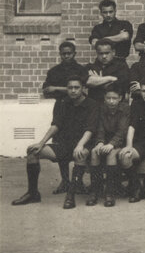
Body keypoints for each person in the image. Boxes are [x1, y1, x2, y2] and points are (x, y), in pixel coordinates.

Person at [14, 75, 97, 207]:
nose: (73, 90)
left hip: (85, 144)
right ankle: (33, 193)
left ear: (83, 89)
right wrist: (41, 143)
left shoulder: (92, 105)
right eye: (70, 88)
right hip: (65, 145)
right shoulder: (62, 103)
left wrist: (80, 145)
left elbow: (90, 129)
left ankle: (71, 196)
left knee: (79, 154)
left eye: (77, 87)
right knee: (32, 152)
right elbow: (55, 125)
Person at [87, 89, 130, 207]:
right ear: (104, 98)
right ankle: (95, 191)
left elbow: (122, 131)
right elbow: (100, 127)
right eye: (108, 98)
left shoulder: (125, 109)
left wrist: (112, 144)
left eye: (114, 98)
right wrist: (100, 143)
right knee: (95, 153)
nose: (111, 101)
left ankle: (109, 193)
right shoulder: (102, 109)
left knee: (111, 154)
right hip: (105, 141)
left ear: (120, 98)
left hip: (120, 142)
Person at [86, 38, 130, 104]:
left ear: (113, 52)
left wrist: (98, 81)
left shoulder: (121, 66)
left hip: (116, 106)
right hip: (95, 105)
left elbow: (121, 85)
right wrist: (111, 78)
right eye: (101, 53)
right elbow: (88, 82)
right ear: (97, 53)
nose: (104, 56)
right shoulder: (91, 67)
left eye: (107, 53)